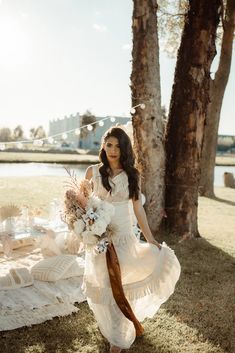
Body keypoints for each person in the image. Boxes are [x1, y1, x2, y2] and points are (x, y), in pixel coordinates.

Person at [84, 126, 181, 353]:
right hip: (99, 241)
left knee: (122, 285)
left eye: (118, 146)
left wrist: (151, 239)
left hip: (124, 239)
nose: (113, 150)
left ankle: (117, 340)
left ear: (125, 149)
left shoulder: (132, 175)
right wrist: (84, 229)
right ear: (103, 146)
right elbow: (84, 205)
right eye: (109, 145)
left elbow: (138, 210)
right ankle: (112, 328)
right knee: (105, 285)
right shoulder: (92, 172)